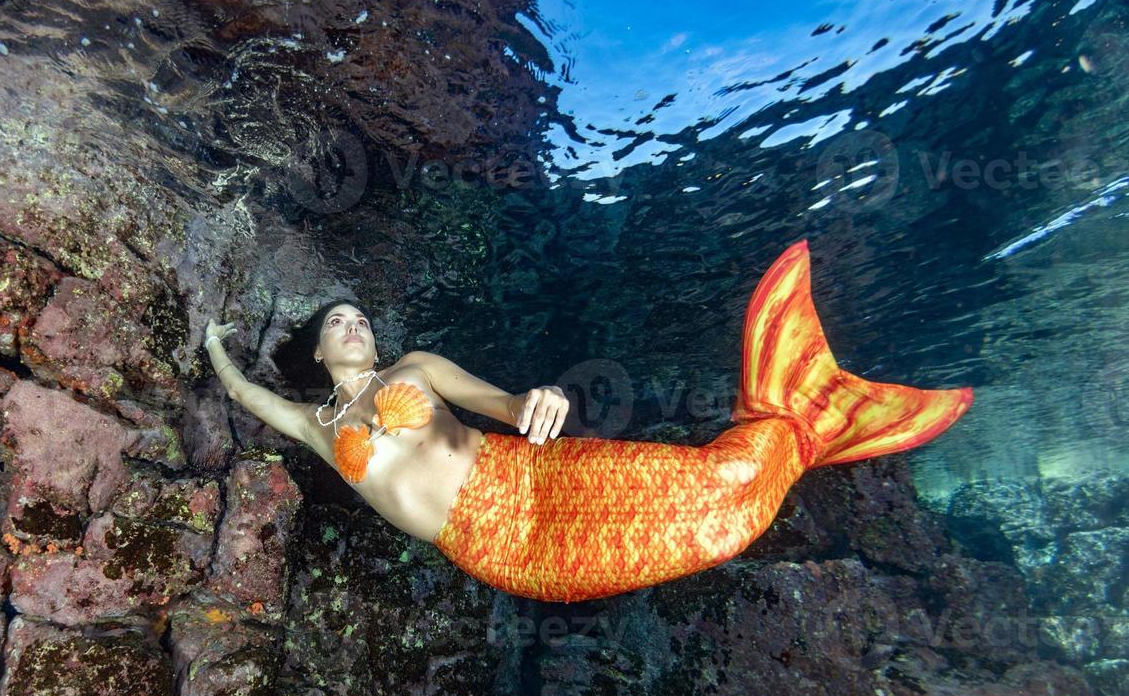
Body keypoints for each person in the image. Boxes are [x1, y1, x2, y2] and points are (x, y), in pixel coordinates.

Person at [202, 239, 973, 602]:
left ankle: (795, 422)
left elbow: (500, 405)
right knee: (702, 536)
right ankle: (812, 426)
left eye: (361, 315)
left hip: (526, 474)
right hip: (496, 551)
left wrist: (535, 403)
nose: (354, 323)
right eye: (337, 319)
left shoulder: (416, 368)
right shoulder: (312, 422)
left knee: (720, 492)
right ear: (314, 346)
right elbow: (243, 393)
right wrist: (210, 342)